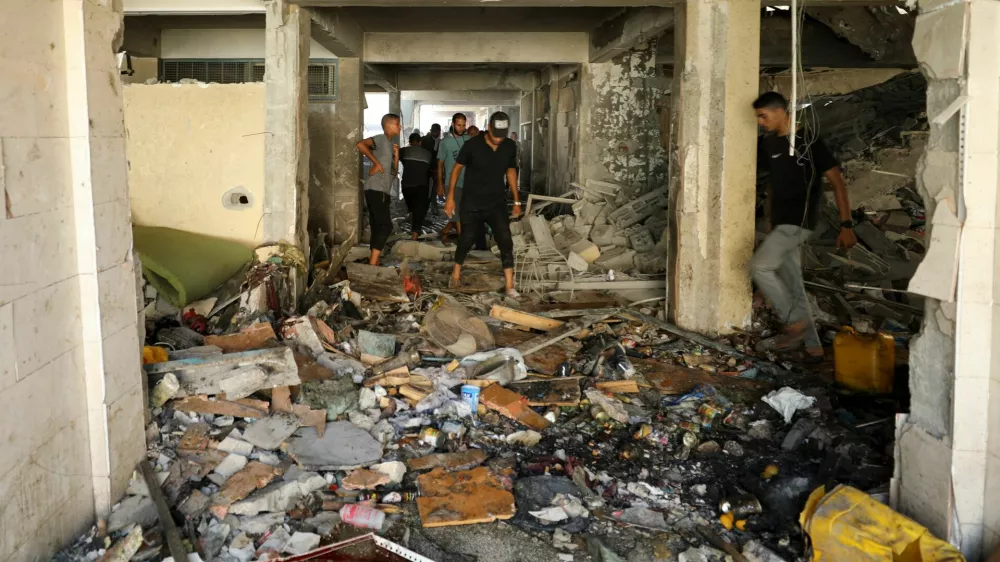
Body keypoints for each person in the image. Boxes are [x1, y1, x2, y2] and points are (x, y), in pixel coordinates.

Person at [751, 92, 857, 357]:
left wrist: (846, 224)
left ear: (780, 112)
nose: (761, 122)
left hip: (800, 220)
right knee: (794, 282)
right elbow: (774, 184)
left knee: (759, 266)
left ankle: (794, 322)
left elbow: (837, 182)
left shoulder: (809, 141)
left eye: (764, 116)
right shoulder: (770, 144)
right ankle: (814, 349)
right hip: (781, 222)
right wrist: (770, 220)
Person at [444, 111, 521, 297]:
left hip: (496, 202)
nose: (498, 140)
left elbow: (510, 172)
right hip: (472, 202)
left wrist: (516, 200)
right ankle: (455, 274)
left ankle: (510, 286)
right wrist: (450, 197)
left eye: (501, 137)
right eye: (495, 136)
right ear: (488, 129)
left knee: (505, 240)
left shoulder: (509, 146)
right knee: (466, 239)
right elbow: (456, 170)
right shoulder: (472, 145)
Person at [356, 113, 401, 265]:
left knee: (378, 225)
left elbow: (393, 173)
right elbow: (360, 144)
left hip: (383, 190)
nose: (399, 127)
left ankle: (373, 260)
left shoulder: (389, 144)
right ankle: (373, 263)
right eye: (397, 124)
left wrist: (396, 155)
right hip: (376, 189)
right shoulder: (381, 139)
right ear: (388, 125)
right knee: (385, 226)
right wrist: (375, 163)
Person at [436, 113, 470, 244]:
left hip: (468, 182)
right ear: (453, 124)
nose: (461, 128)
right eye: (458, 125)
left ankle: (448, 231)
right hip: (452, 183)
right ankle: (463, 242)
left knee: (464, 213)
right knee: (458, 214)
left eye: (463, 125)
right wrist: (439, 184)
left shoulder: (469, 140)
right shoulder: (445, 142)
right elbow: (439, 164)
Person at [399, 132, 433, 240]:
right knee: (420, 209)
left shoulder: (404, 151)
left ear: (409, 141)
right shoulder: (428, 154)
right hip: (421, 185)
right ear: (420, 142)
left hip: (406, 186)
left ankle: (411, 215)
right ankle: (415, 232)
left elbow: (395, 156)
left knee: (413, 207)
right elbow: (431, 170)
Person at [421, 124, 442, 213]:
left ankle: (433, 205)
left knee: (434, 188)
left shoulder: (441, 141)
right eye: (435, 132)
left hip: (436, 168)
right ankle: (426, 205)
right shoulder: (424, 140)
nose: (436, 133)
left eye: (437, 132)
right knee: (425, 187)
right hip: (426, 167)